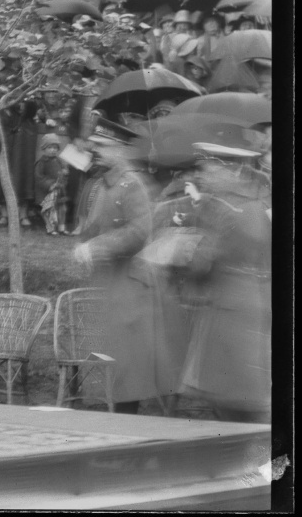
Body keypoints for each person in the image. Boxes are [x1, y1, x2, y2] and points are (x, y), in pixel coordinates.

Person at [70, 116, 185, 415]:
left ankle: (127, 425)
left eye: (103, 146)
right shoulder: (101, 184)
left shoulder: (131, 184)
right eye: (95, 145)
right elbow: (94, 225)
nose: (96, 151)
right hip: (110, 283)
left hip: (130, 287)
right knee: (116, 360)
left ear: (120, 150)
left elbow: (139, 231)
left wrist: (97, 247)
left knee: (128, 364)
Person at [171, 141, 271, 422]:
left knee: (243, 404)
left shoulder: (227, 208)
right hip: (241, 304)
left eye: (210, 168)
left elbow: (202, 262)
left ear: (232, 170)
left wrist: (179, 250)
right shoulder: (252, 202)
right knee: (235, 399)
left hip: (231, 311)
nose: (203, 175)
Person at [34, 134, 68, 235]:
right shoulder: (41, 162)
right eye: (50, 147)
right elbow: (39, 177)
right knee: (48, 210)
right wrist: (50, 185)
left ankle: (61, 227)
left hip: (59, 190)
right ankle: (50, 228)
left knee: (62, 208)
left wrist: (65, 173)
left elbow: (63, 173)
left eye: (55, 147)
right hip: (47, 191)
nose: (53, 150)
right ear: (44, 149)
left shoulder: (59, 161)